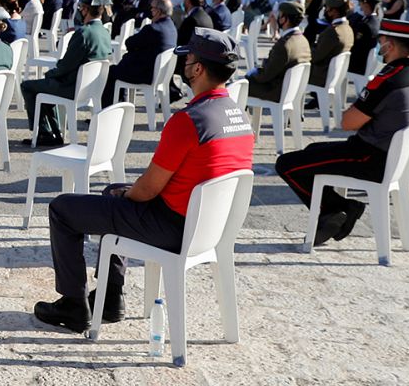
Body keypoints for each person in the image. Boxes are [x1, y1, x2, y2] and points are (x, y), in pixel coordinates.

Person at [33, 28, 254, 332]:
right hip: (209, 228)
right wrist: (123, 194)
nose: (184, 65)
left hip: (173, 226)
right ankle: (110, 298)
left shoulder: (190, 120)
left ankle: (73, 303)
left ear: (199, 68)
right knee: (114, 190)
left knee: (62, 209)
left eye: (188, 59)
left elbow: (148, 190)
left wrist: (129, 195)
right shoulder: (238, 116)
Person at [274, 20, 409, 245]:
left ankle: (338, 208)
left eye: (381, 41)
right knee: (312, 151)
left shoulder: (387, 80)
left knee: (287, 164)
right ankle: (337, 209)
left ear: (390, 44)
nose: (379, 46)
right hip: (393, 160)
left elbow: (347, 122)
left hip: (370, 157)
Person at [19, 0, 114, 147]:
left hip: (71, 87)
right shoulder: (104, 32)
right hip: (91, 88)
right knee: (44, 87)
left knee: (28, 86)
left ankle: (44, 132)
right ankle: (53, 131)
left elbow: (65, 66)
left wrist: (50, 74)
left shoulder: (83, 33)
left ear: (85, 9)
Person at [103, 0, 177, 106]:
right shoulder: (171, 26)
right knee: (119, 69)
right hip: (161, 74)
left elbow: (129, 43)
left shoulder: (153, 28)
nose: (150, 10)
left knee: (109, 72)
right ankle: (120, 103)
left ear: (158, 11)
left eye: (152, 8)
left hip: (146, 73)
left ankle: (107, 112)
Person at [247, 1, 312, 102]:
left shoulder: (284, 44)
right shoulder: (303, 39)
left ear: (284, 19)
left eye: (279, 15)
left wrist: (252, 74)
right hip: (293, 90)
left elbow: (265, 75)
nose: (277, 18)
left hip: (277, 91)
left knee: (239, 86)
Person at [308, 0, 356, 89]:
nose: (325, 11)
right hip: (335, 75)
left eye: (326, 8)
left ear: (334, 11)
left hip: (321, 76)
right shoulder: (348, 28)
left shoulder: (333, 31)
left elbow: (316, 57)